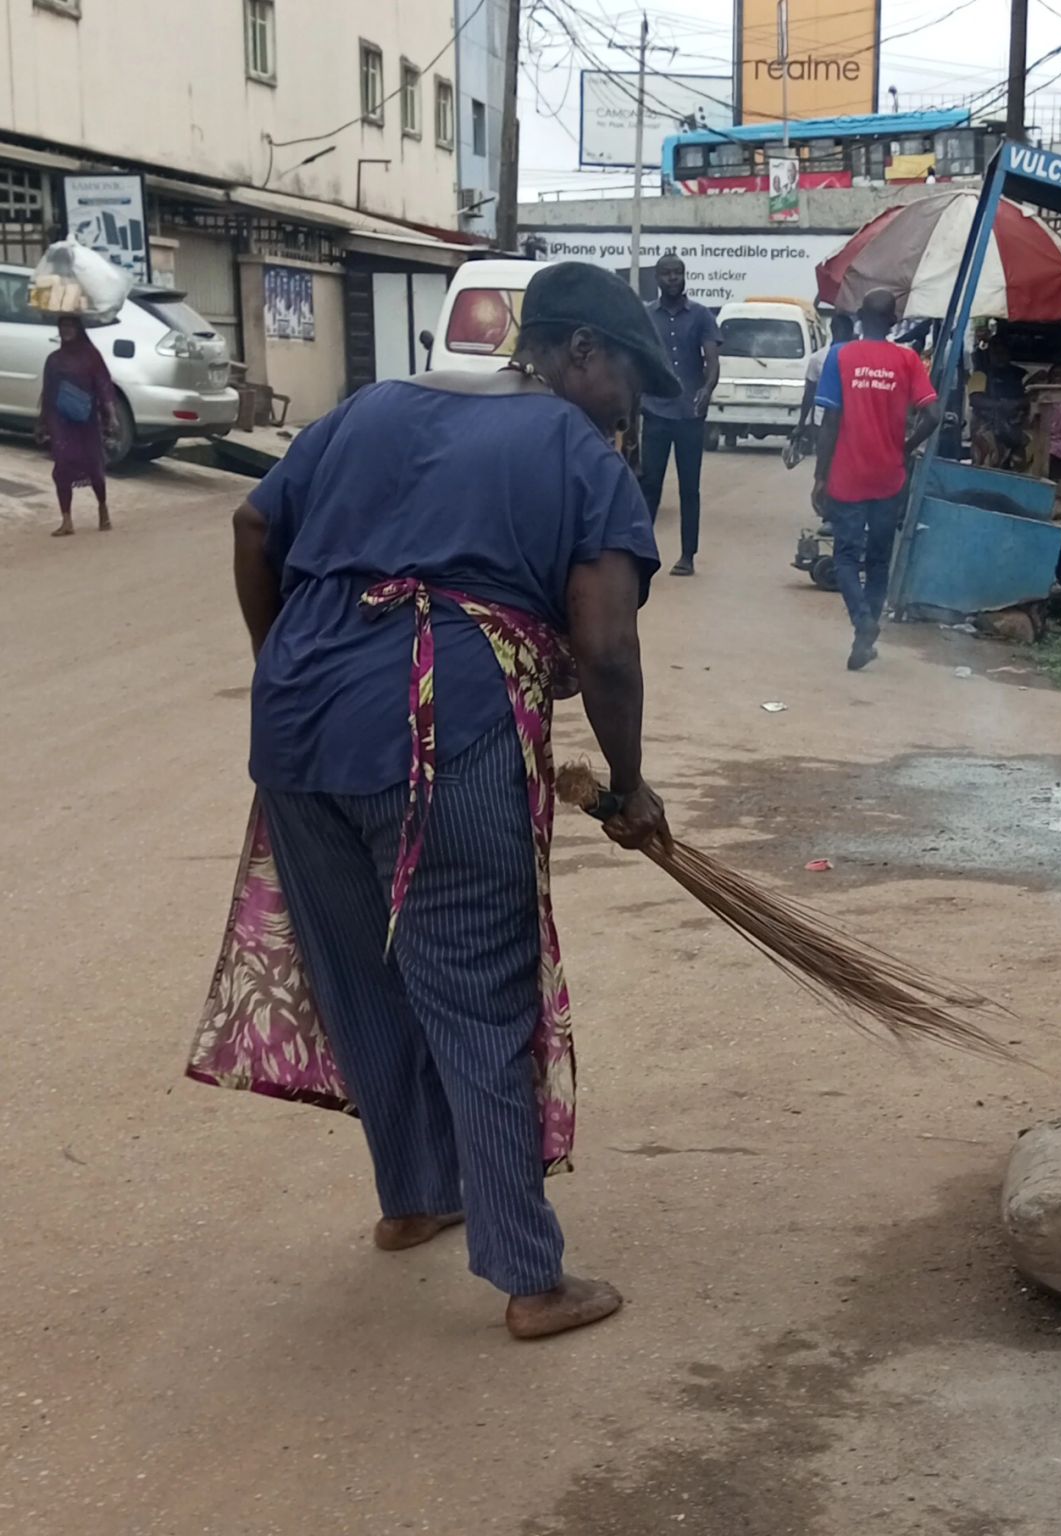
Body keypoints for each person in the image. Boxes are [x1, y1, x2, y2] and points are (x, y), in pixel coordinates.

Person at [210, 263, 675, 1340]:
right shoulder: (574, 451)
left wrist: (285, 660)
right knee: (477, 984)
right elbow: (605, 643)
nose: (628, 409)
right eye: (627, 382)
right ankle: (528, 1277)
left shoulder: (371, 405)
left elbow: (250, 528)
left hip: (297, 729)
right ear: (578, 354)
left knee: (366, 978)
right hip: (443, 731)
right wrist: (632, 784)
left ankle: (414, 1201)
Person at [813, 288, 940, 670]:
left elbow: (830, 421)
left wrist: (820, 475)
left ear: (859, 318)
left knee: (847, 556)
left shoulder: (840, 356)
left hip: (848, 474)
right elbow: (933, 416)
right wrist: (905, 446)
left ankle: (862, 623)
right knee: (880, 558)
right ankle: (865, 633)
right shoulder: (907, 359)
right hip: (889, 476)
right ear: (893, 321)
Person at [637, 253, 720, 576]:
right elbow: (638, 359)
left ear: (685, 276)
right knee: (650, 485)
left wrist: (707, 389)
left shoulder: (700, 316)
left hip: (689, 414)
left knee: (690, 488)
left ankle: (688, 555)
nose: (672, 278)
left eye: (678, 273)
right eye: (666, 273)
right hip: (655, 411)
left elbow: (712, 360)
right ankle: (641, 553)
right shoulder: (646, 316)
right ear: (657, 278)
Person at [41, 315, 116, 537]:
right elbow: (47, 393)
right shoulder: (53, 360)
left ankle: (103, 509)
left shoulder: (91, 356)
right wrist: (42, 422)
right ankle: (66, 520)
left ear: (78, 329)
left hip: (86, 421)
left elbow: (103, 385)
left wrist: (111, 415)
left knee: (94, 466)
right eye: (62, 326)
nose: (66, 330)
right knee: (62, 467)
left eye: (70, 326)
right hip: (61, 422)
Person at [793, 312, 856, 451]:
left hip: (847, 421)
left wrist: (802, 424)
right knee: (825, 456)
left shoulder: (859, 357)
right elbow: (809, 393)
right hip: (823, 420)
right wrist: (802, 423)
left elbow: (809, 393)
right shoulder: (818, 358)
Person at [969, 336, 1027, 468]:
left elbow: (1031, 397)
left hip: (1014, 426)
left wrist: (1016, 404)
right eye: (996, 353)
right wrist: (1001, 405)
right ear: (989, 354)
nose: (999, 357)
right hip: (987, 425)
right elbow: (975, 399)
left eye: (1003, 352)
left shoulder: (1019, 374)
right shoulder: (980, 374)